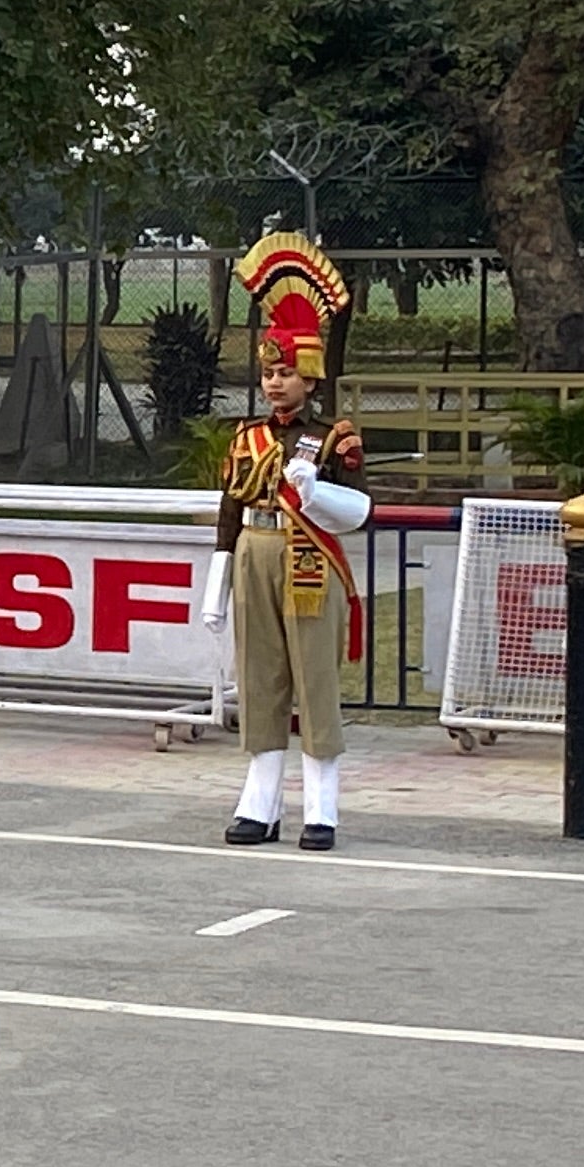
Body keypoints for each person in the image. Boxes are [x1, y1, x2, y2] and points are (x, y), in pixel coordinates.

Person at [209, 229, 367, 849]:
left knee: (314, 679)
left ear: (310, 376)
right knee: (260, 676)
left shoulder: (333, 437)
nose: (275, 383)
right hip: (253, 553)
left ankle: (322, 806)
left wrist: (316, 489)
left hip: (308, 559)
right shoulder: (246, 435)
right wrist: (215, 582)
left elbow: (359, 510)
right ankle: (261, 800)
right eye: (268, 372)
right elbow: (230, 507)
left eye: (285, 372)